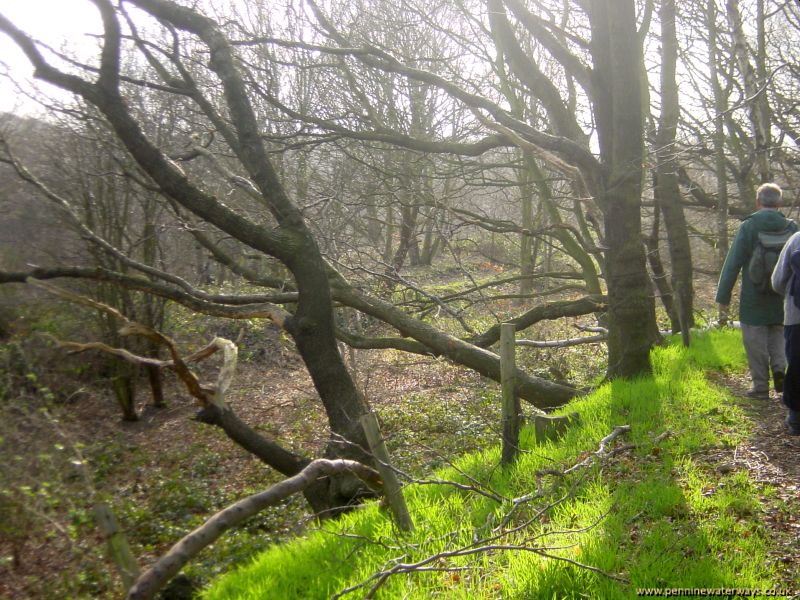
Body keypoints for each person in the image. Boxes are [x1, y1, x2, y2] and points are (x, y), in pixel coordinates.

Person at [716, 183, 797, 399]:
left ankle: (760, 387)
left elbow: (733, 263)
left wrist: (723, 297)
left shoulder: (749, 226)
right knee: (779, 336)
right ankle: (780, 369)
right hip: (784, 296)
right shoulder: (792, 228)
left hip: (754, 296)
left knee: (754, 341)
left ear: (758, 202)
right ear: (779, 203)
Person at [771, 228, 800, 434]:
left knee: (797, 365)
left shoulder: (797, 239)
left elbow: (777, 281)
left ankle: (796, 417)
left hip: (796, 316)